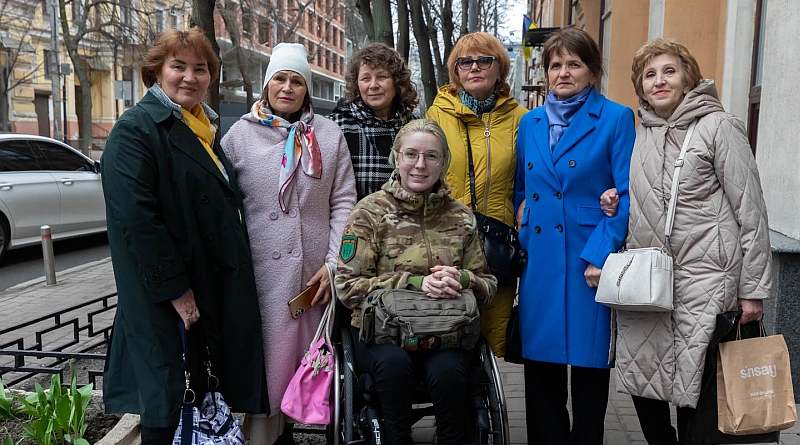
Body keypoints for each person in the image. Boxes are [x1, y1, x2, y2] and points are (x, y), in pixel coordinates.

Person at [101, 28, 268, 445]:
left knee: (193, 395)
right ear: (156, 71)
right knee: (168, 402)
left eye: (201, 68)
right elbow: (137, 222)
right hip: (167, 299)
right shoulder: (136, 129)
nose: (190, 77)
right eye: (178, 66)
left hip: (203, 290)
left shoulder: (201, 129)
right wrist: (176, 291)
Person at [615, 39, 772, 444]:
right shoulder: (641, 134)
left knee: (698, 400)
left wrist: (753, 290)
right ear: (640, 86)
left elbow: (751, 211)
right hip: (651, 287)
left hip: (708, 284)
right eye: (649, 75)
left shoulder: (719, 126)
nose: (659, 81)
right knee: (643, 385)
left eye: (669, 71)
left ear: (688, 77)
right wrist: (612, 199)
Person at [220, 42, 356, 445]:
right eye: (279, 78)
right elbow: (223, 205)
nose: (287, 87)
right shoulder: (239, 136)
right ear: (267, 84)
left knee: (309, 370)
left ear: (306, 88)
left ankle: (300, 431)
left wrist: (334, 264)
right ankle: (266, 437)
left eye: (297, 81)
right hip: (262, 276)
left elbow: (343, 201)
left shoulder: (329, 135)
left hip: (313, 279)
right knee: (268, 371)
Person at [335, 119, 498, 445]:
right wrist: (413, 283)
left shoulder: (460, 216)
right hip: (382, 335)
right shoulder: (369, 213)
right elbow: (348, 287)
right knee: (394, 368)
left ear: (443, 162)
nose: (420, 165)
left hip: (445, 332)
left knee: (449, 372)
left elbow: (488, 285)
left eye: (431, 156)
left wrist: (463, 278)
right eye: (411, 154)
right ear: (396, 157)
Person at [513, 27, 635, 444]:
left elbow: (626, 193)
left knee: (589, 370)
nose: (563, 73)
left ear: (593, 71)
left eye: (574, 64)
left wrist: (601, 254)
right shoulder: (530, 122)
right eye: (555, 65)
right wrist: (523, 222)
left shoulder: (616, 118)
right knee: (541, 373)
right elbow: (520, 189)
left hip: (589, 260)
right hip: (541, 259)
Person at [425, 32, 527, 358]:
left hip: (498, 243)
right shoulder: (437, 116)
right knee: (450, 336)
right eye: (465, 62)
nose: (474, 67)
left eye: (484, 60)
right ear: (455, 71)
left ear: (500, 68)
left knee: (494, 334)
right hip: (447, 241)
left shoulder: (521, 119)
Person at [329, 42, 419, 201]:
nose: (373, 85)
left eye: (381, 77)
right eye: (365, 78)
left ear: (397, 82)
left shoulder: (414, 128)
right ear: (356, 85)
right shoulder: (337, 126)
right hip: (354, 216)